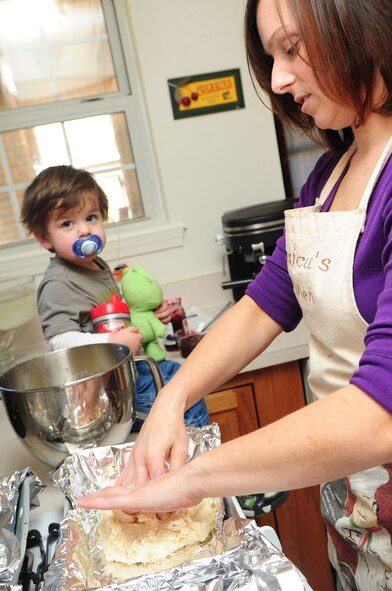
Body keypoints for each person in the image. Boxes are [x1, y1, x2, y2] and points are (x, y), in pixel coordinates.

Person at [78, 0, 392, 588]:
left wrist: (195, 478)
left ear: (360, 26)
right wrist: (175, 395)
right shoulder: (329, 175)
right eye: (270, 55)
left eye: (291, 48)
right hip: (352, 505)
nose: (276, 79)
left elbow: (378, 415)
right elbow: (264, 302)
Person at [20, 165, 209, 429]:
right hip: (108, 392)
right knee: (184, 399)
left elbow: (114, 317)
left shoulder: (97, 265)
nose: (84, 230)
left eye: (91, 217)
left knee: (188, 380)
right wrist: (112, 342)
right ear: (44, 238)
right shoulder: (58, 283)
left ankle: (198, 451)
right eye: (67, 223)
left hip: (133, 373)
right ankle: (197, 455)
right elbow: (59, 342)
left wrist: (149, 317)